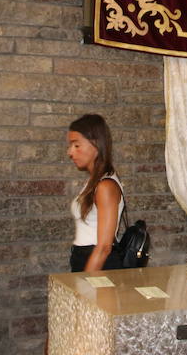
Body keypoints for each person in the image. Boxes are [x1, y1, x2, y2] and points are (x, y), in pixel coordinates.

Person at [66, 113, 126, 272]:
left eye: (76, 145)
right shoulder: (94, 181)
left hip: (99, 264)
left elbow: (104, 247)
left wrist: (86, 282)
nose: (70, 152)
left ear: (96, 144)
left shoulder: (105, 186)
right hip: (86, 257)